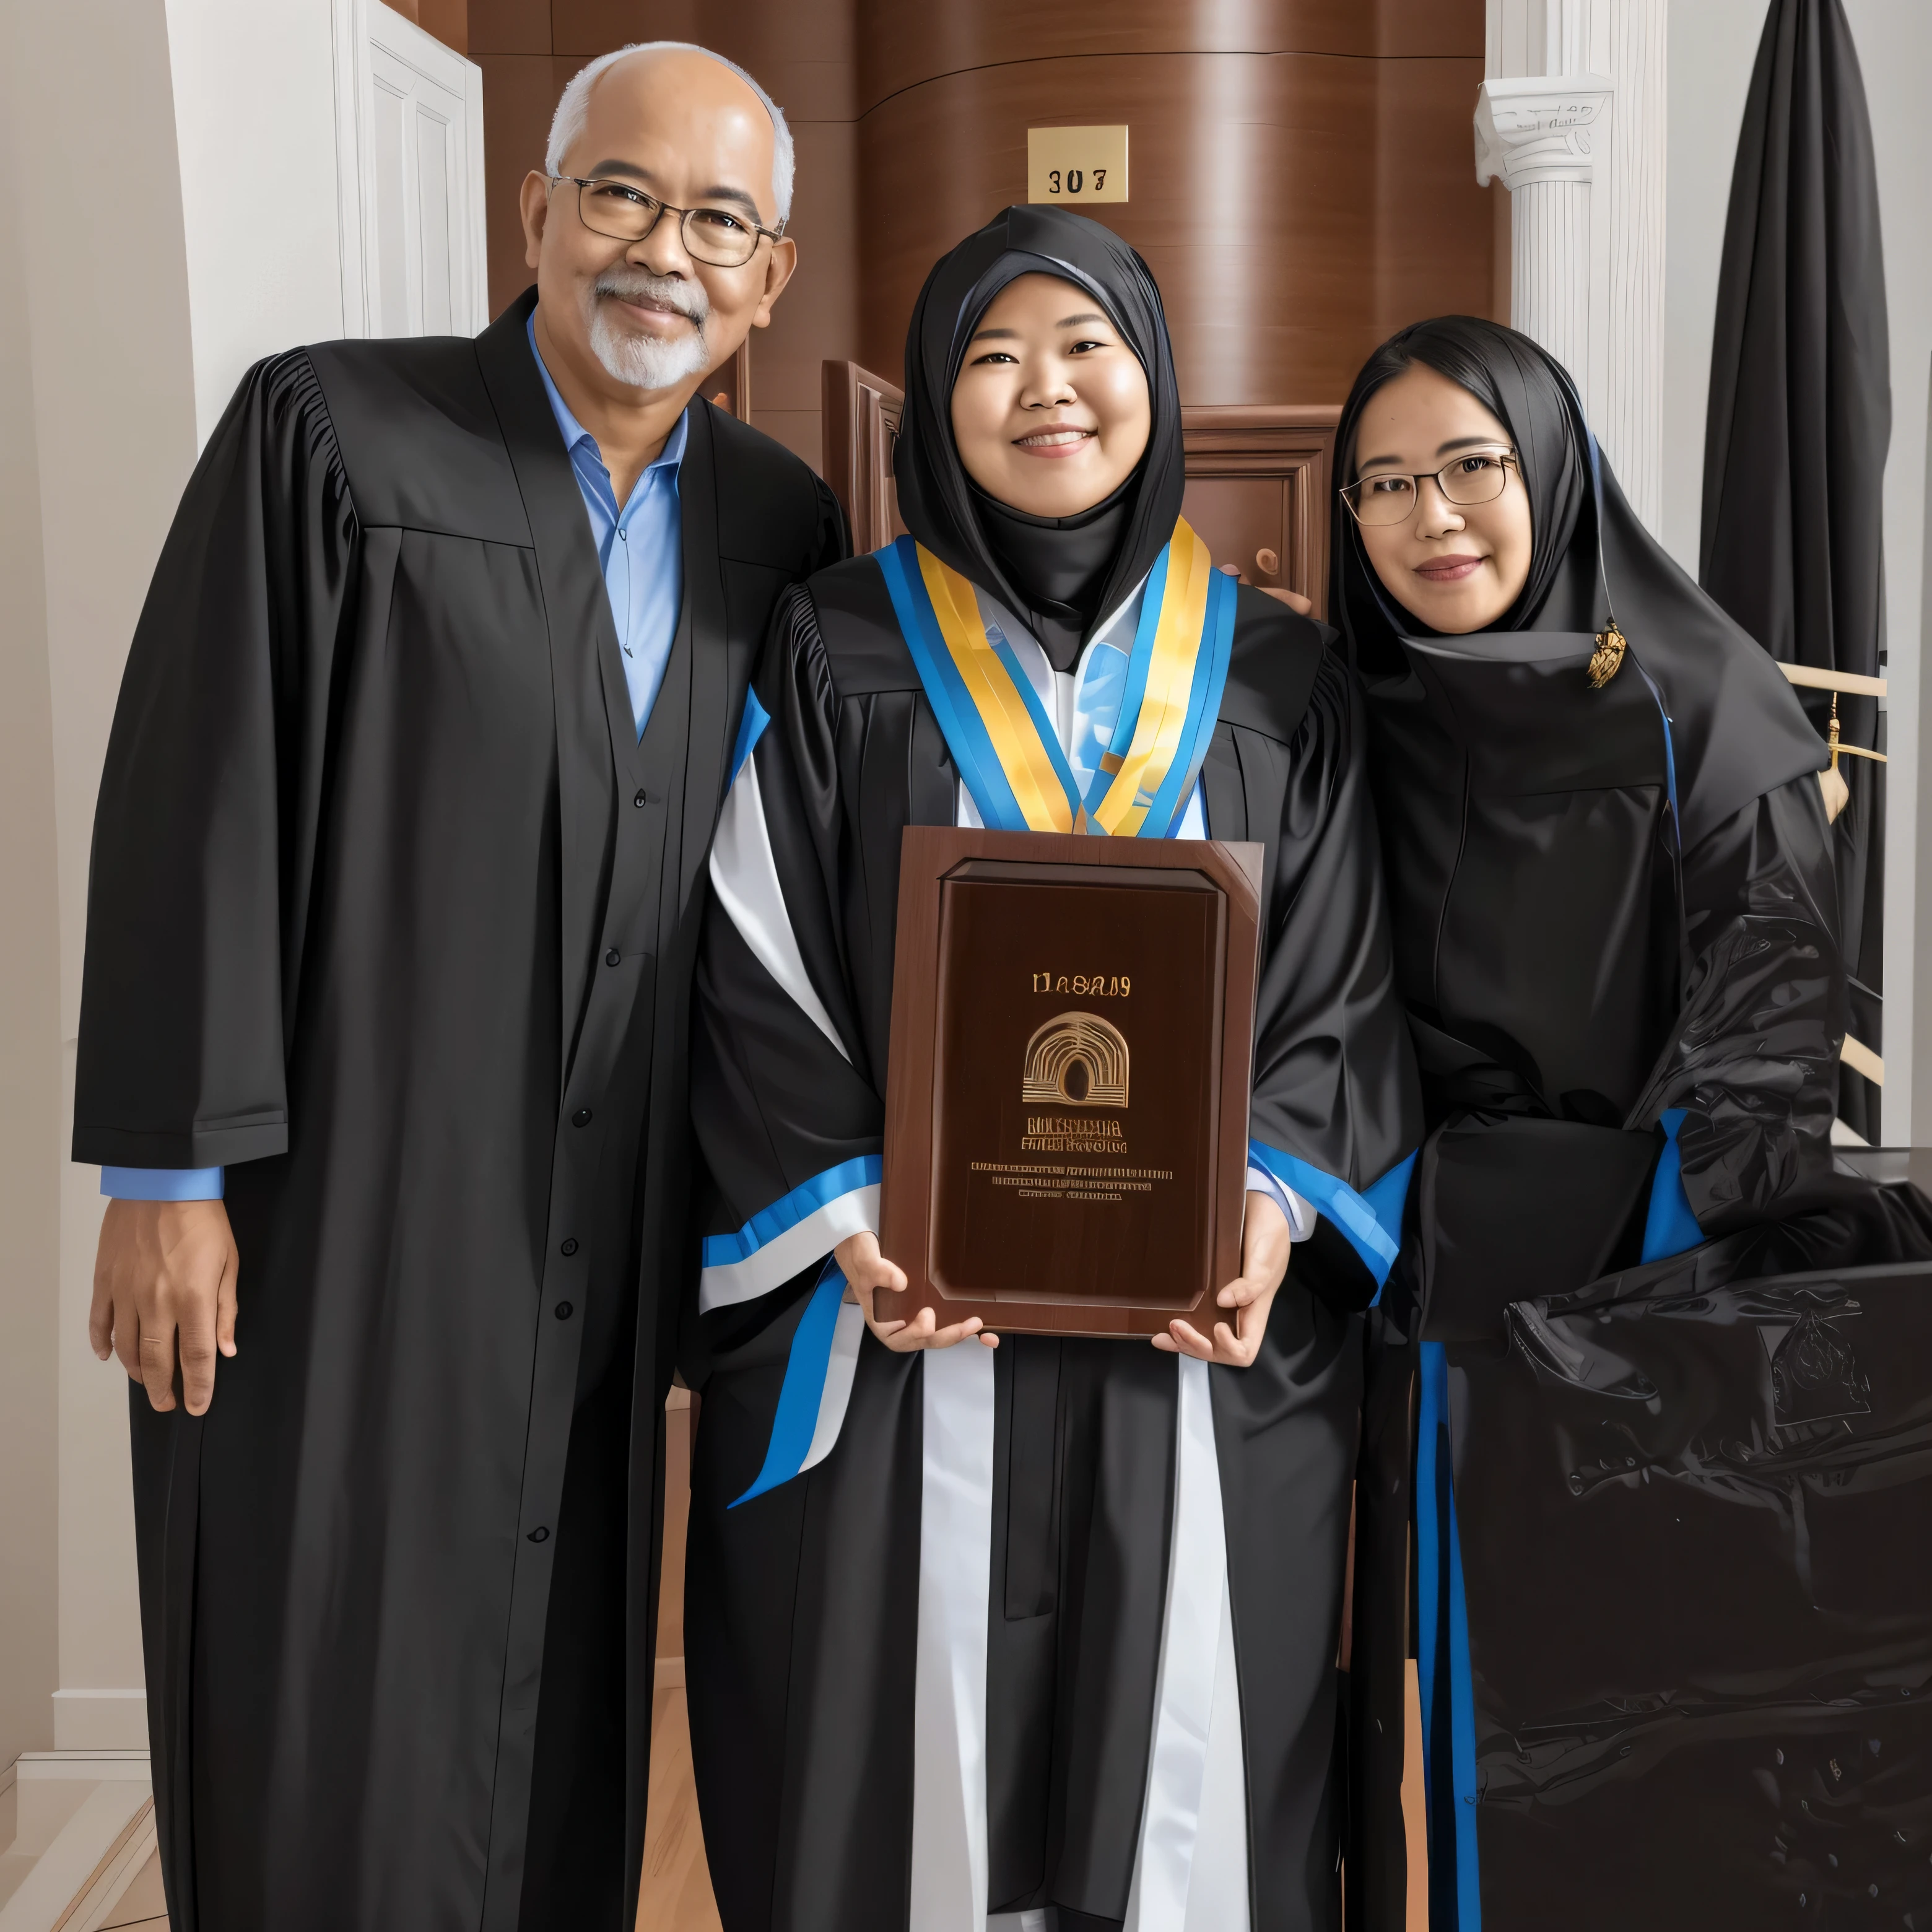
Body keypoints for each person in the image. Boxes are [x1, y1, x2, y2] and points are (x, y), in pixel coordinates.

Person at [72, 41, 843, 1932]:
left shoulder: (786, 529)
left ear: (772, 277)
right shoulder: (332, 441)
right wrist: (167, 1182)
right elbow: (200, 801)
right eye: (622, 195)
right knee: (322, 1670)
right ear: (538, 214)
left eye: (716, 220)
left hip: (615, 1230)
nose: (663, 251)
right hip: (341, 1218)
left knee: (561, 1679)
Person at [681, 204, 1421, 1932]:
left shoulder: (1283, 671)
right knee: (917, 1779)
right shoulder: (832, 645)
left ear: (1151, 374)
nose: (1045, 392)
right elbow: (755, 954)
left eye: (1084, 346)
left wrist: (1272, 1211)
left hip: (1199, 1336)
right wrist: (854, 1211)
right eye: (993, 357)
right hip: (916, 1324)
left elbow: (1343, 986)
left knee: (1186, 1779)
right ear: (932, 401)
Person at [1326, 316, 1932, 1928]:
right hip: (1414, 1296)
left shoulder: (1701, 704)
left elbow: (1770, 1042)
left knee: (1651, 1760)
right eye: (1382, 483)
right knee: (1461, 1737)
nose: (1431, 515)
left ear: (1555, 469)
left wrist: (1628, 1303)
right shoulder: (1345, 708)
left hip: (1643, 1312)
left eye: (1470, 466)